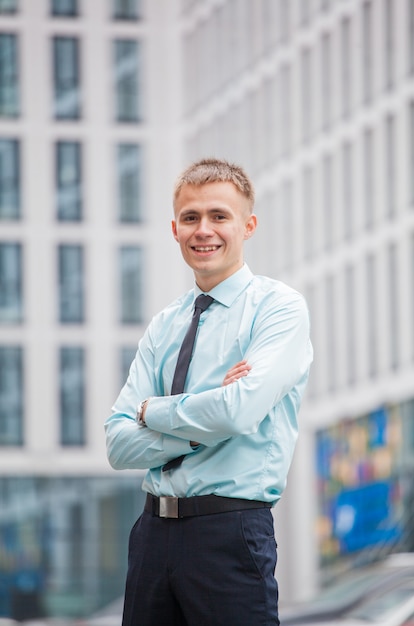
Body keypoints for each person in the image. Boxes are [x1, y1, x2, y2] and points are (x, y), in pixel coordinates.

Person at [105, 158, 313, 626]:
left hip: (230, 532)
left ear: (248, 225)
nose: (204, 230)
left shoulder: (279, 309)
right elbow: (117, 444)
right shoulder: (165, 324)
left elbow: (236, 413)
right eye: (191, 218)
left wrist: (151, 410)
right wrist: (203, 418)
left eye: (219, 216)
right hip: (152, 536)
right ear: (174, 229)